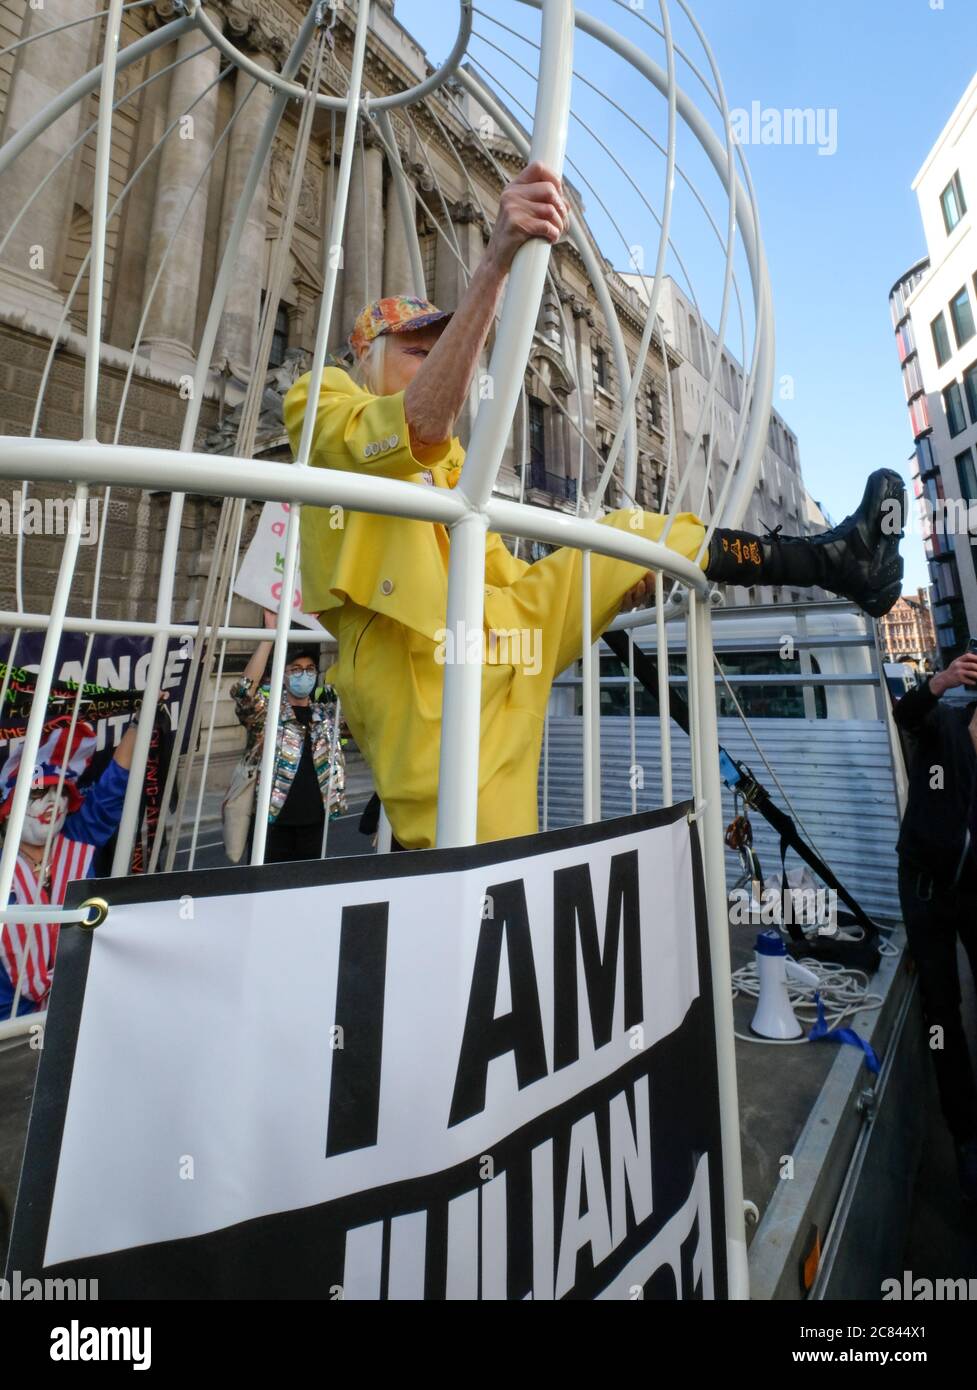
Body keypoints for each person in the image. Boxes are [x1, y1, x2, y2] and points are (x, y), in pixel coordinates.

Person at [284, 160, 905, 851]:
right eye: (414, 350)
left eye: (440, 348)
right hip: (415, 664)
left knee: (634, 533)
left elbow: (501, 575)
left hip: (497, 628)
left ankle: (836, 560)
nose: (433, 362)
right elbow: (415, 427)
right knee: (475, 852)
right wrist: (494, 262)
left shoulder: (456, 465)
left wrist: (606, 580)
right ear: (362, 353)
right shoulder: (322, 396)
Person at [893, 645, 977, 1201]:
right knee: (942, 1012)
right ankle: (965, 1141)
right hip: (926, 889)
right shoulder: (943, 727)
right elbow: (905, 714)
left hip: (972, 890)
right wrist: (941, 680)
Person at [0, 715, 139, 1017]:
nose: (53, 802)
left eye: (61, 792)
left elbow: (112, 787)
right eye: (38, 794)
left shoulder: (78, 838)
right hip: (10, 1027)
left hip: (82, 1004)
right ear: (8, 809)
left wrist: (138, 725)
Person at [230, 610, 347, 864]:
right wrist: (268, 637)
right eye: (296, 669)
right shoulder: (268, 715)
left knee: (306, 894)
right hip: (273, 822)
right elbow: (243, 692)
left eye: (309, 669)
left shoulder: (325, 713)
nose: (304, 674)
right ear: (283, 675)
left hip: (315, 822)